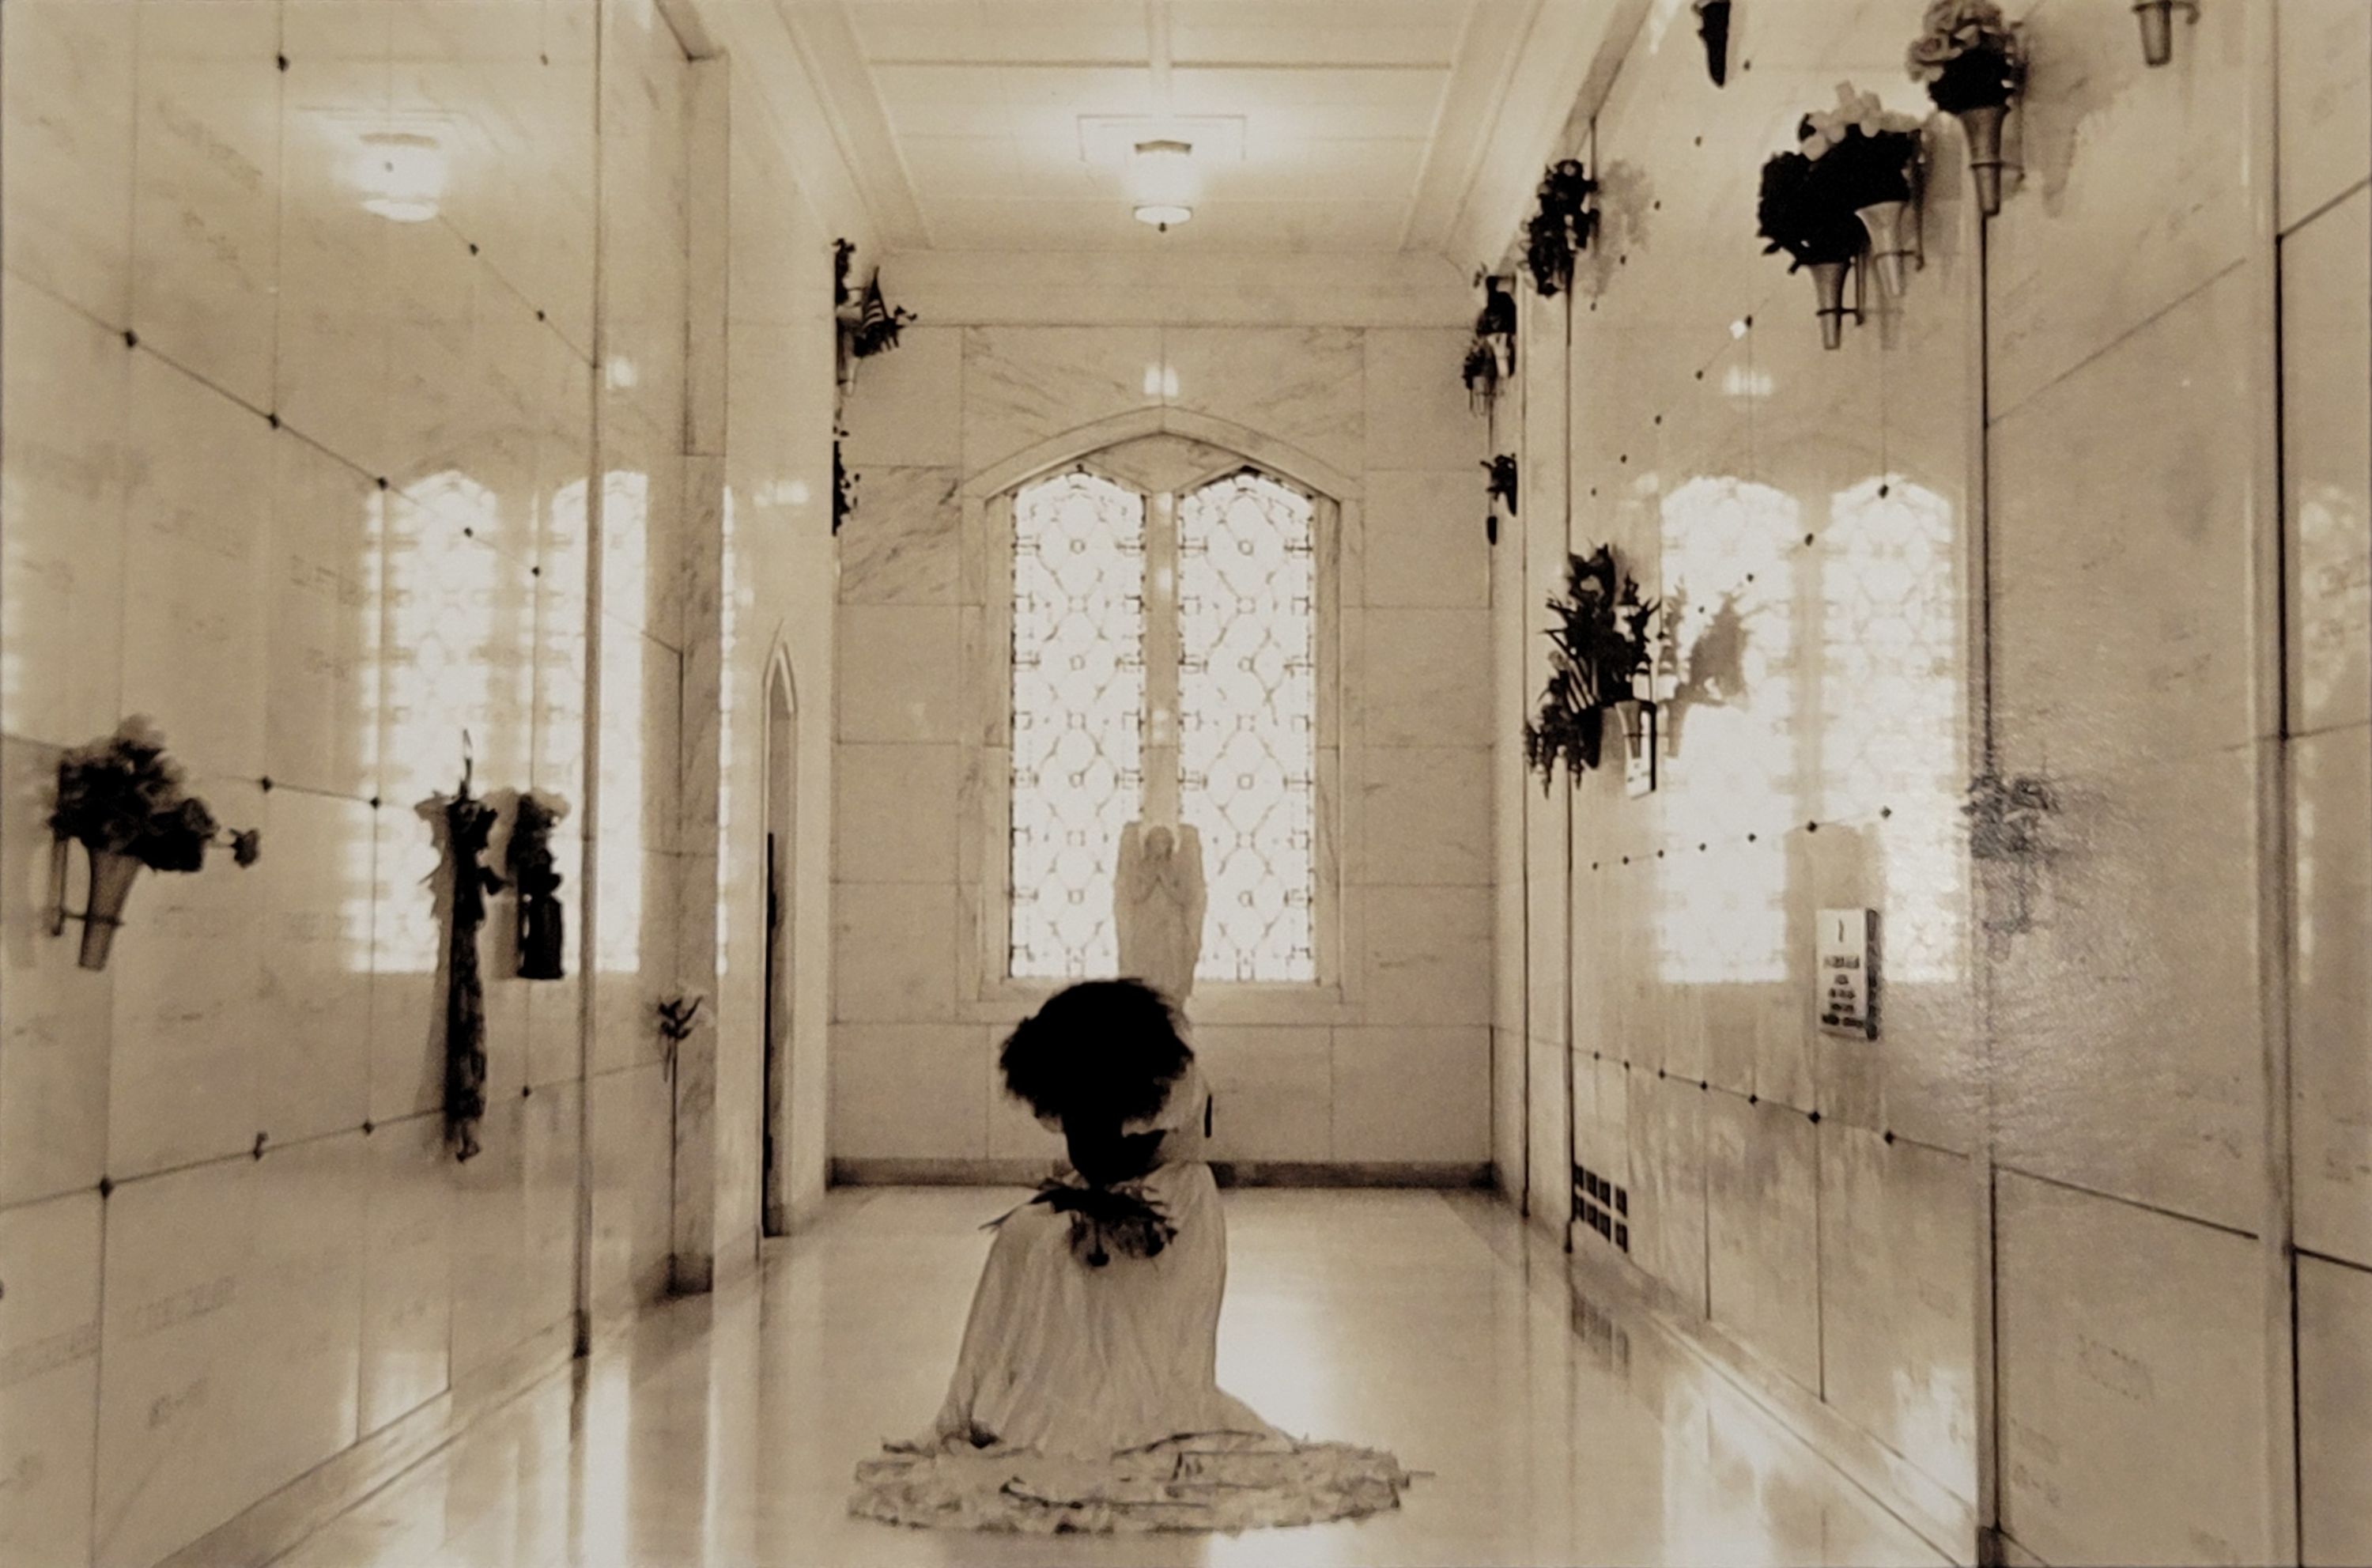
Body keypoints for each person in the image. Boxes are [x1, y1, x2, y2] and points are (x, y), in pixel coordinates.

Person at [850, 980, 1411, 1534]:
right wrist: (1080, 1199)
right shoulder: (1090, 1088)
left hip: (1170, 1212)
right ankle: (971, 1406)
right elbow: (1090, 1156)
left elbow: (1136, 1167)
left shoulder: (1173, 1087)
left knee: (1058, 1259)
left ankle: (1085, 1412)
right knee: (1017, 1239)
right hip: (1115, 1195)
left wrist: (1102, 1212)